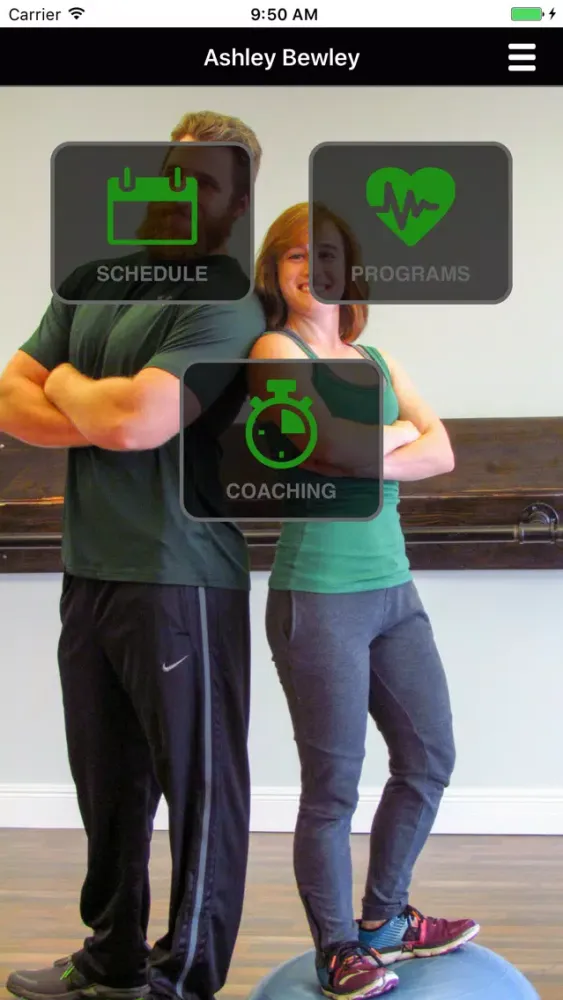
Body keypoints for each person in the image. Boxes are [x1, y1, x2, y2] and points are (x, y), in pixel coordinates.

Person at [0, 111, 266, 1000]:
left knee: (199, 789)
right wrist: (95, 405)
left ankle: (183, 976)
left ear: (234, 207)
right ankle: (110, 956)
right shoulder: (90, 282)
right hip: (91, 568)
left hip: (180, 572)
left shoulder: (224, 300)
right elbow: (8, 398)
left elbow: (136, 423)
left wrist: (65, 382)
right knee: (107, 784)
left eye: (208, 182)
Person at [249, 202, 480, 1000]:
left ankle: (383, 919)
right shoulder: (273, 349)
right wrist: (386, 439)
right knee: (332, 787)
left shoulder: (374, 358)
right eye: (295, 255)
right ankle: (336, 949)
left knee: (428, 756)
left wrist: (357, 449)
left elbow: (441, 451)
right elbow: (314, 446)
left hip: (392, 590)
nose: (313, 269)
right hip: (319, 594)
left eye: (328, 254)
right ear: (275, 271)